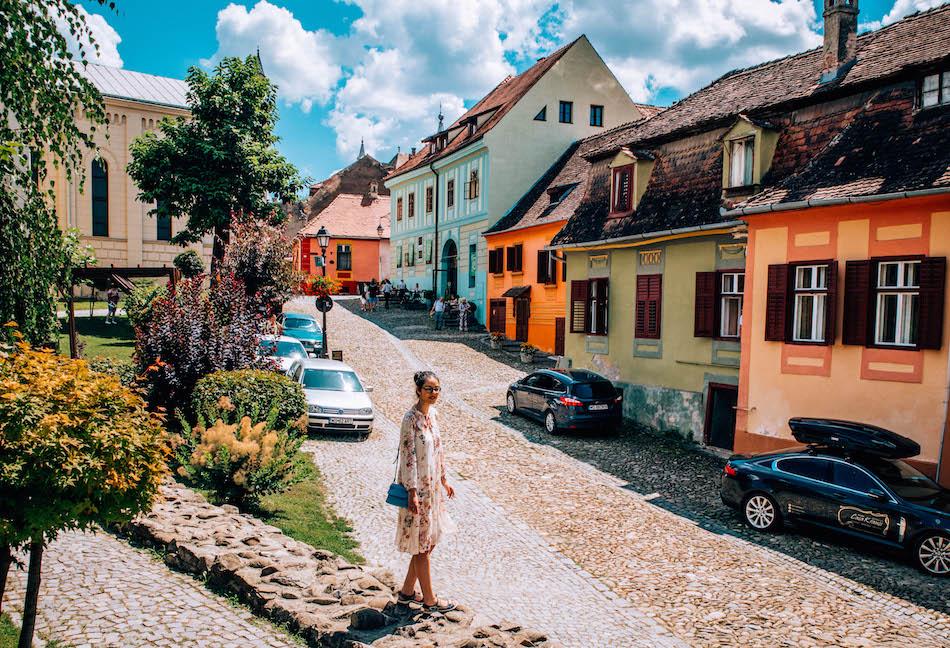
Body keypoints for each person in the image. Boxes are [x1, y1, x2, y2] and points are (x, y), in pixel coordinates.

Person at [396, 371, 457, 611]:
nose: (433, 393)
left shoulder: (433, 415)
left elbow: (439, 449)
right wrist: (411, 491)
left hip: (432, 490)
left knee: (430, 541)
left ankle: (407, 592)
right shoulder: (410, 419)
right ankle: (430, 600)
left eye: (437, 389)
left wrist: (444, 480)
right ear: (418, 390)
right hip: (417, 491)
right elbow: (408, 457)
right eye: (429, 389)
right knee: (422, 545)